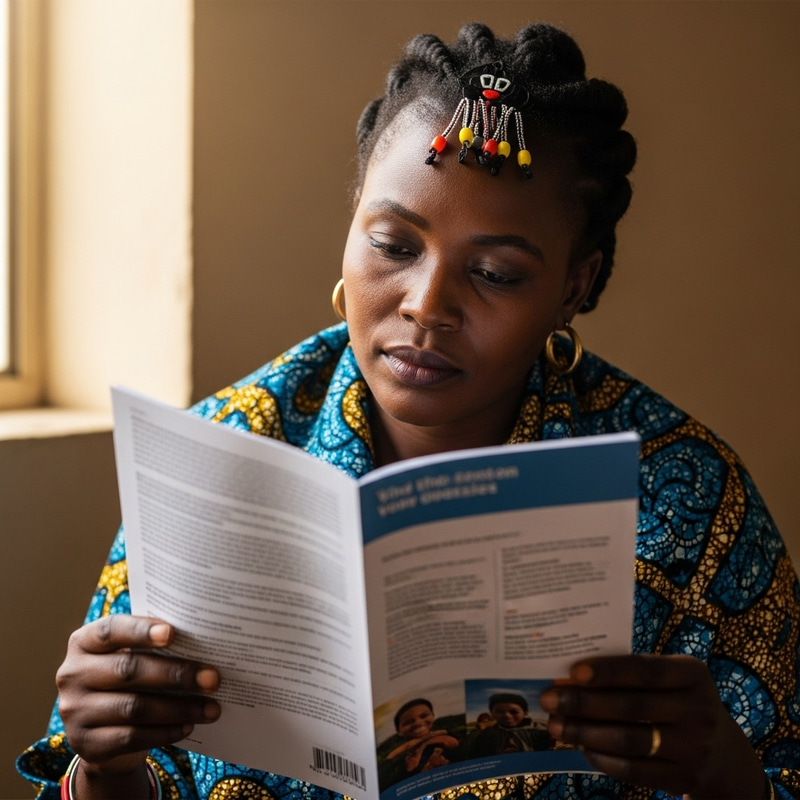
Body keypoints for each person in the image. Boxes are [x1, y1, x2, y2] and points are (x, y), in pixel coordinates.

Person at [17, 20, 800, 800]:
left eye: (495, 273)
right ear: (352, 224)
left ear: (573, 286)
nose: (427, 305)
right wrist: (105, 766)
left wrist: (728, 776)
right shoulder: (215, 458)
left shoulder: (687, 501)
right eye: (393, 245)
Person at [378, 699, 460, 791]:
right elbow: (385, 769)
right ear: (399, 730)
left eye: (424, 716)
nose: (418, 723)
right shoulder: (400, 760)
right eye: (408, 722)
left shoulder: (448, 737)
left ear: (432, 715)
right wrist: (411, 744)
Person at [464, 694, 551, 758]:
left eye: (513, 712)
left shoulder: (541, 732)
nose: (507, 716)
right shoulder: (487, 735)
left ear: (525, 712)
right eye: (499, 712)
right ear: (492, 714)